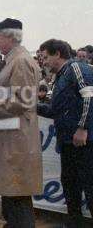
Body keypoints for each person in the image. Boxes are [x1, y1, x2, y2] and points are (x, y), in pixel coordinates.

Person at [0, 18, 42, 228]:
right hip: (11, 137)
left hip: (16, 141)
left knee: (18, 198)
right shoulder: (14, 60)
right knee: (12, 196)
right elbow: (11, 94)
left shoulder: (21, 61)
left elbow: (22, 101)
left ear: (9, 36)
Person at [37, 39, 93, 227]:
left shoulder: (76, 67)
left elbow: (89, 96)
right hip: (68, 142)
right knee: (70, 185)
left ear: (57, 54)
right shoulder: (60, 77)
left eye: (45, 57)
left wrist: (82, 128)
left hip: (84, 141)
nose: (43, 62)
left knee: (89, 185)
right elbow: (54, 110)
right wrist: (30, 106)